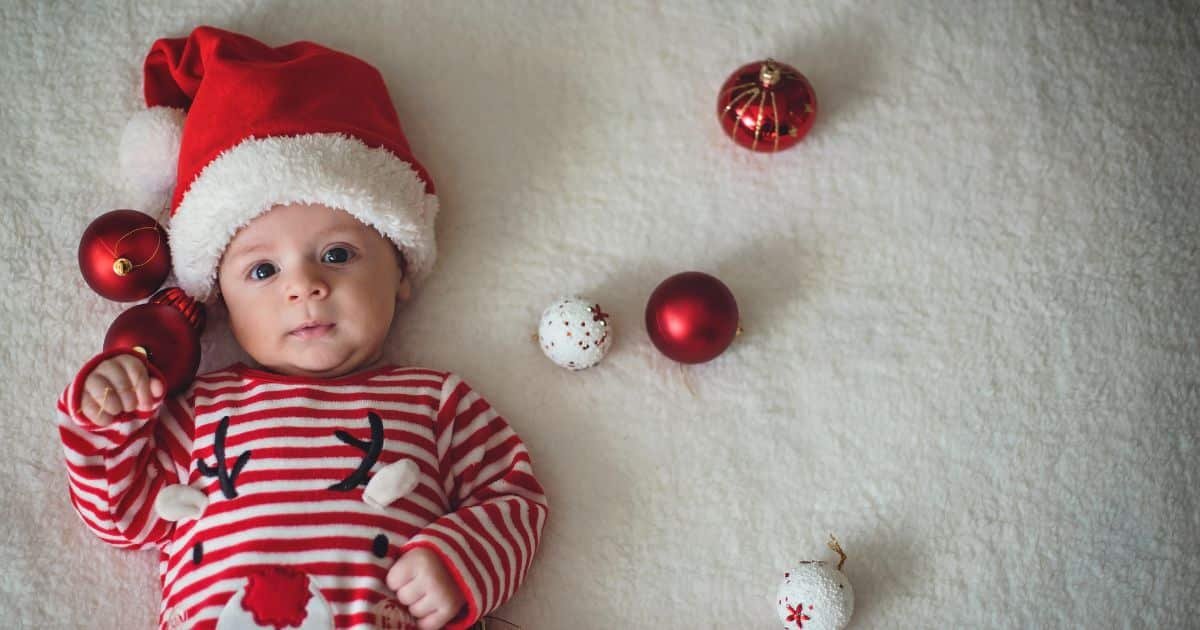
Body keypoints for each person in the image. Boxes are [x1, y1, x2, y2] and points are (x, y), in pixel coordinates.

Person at [53, 26, 547, 630]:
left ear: (401, 270)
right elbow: (123, 518)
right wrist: (111, 416)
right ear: (220, 300)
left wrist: (459, 562)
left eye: (338, 255)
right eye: (262, 269)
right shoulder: (199, 409)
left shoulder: (437, 403)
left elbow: (514, 499)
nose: (304, 285)